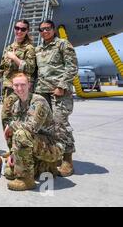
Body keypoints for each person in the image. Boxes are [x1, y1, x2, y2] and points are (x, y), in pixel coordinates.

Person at [4, 73, 64, 191]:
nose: (20, 88)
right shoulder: (16, 105)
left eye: (23, 85)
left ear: (29, 85)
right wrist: (12, 153)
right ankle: (42, 169)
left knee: (21, 134)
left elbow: (31, 128)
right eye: (16, 85)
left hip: (51, 147)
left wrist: (10, 125)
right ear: (12, 86)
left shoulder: (38, 101)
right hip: (35, 143)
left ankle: (26, 180)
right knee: (9, 172)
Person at [34, 20, 78, 177]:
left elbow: (72, 66)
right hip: (42, 92)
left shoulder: (63, 44)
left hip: (59, 92)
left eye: (47, 29)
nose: (45, 31)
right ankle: (55, 155)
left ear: (53, 30)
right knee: (46, 126)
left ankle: (67, 160)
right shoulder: (38, 49)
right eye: (42, 29)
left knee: (60, 124)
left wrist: (62, 86)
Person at [0, 19, 36, 154]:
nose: (19, 31)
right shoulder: (9, 47)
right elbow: (4, 69)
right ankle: (12, 150)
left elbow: (30, 69)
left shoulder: (29, 48)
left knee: (20, 120)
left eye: (23, 29)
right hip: (7, 91)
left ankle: (22, 150)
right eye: (17, 28)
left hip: (20, 91)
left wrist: (15, 58)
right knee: (6, 119)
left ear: (27, 31)